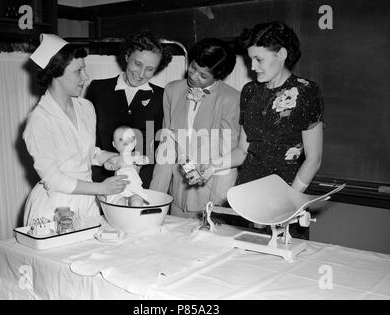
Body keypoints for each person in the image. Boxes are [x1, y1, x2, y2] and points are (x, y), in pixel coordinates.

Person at [192, 21, 324, 239]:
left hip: (286, 201)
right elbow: (243, 150)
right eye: (250, 59)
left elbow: (314, 158)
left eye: (258, 59)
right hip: (247, 198)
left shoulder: (307, 91)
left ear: (281, 54)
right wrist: (211, 166)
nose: (252, 67)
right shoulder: (250, 91)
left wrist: (288, 202)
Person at [23, 34, 129, 226]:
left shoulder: (86, 107)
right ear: (56, 73)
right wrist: (101, 188)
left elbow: (87, 151)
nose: (86, 77)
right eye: (78, 71)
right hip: (54, 208)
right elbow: (53, 179)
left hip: (87, 204)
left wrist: (109, 158)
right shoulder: (39, 120)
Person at [149, 38, 240, 218]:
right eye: (193, 67)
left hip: (211, 192)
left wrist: (217, 205)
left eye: (203, 75)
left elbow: (227, 153)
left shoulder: (231, 98)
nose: (193, 76)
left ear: (218, 76)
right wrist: (154, 198)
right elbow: (166, 149)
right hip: (177, 192)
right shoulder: (172, 90)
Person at [85, 30, 172, 189]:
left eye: (150, 69)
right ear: (126, 57)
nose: (141, 73)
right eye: (137, 64)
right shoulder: (98, 88)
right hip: (101, 180)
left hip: (141, 182)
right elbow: (86, 136)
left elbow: (160, 144)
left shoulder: (162, 96)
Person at [106, 126, 149, 206]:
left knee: (137, 202)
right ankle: (122, 215)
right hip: (119, 188)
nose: (125, 141)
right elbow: (107, 163)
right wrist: (111, 166)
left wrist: (143, 160)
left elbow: (145, 159)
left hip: (134, 188)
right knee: (119, 203)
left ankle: (135, 215)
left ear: (135, 142)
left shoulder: (135, 156)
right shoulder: (117, 158)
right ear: (114, 144)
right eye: (120, 139)